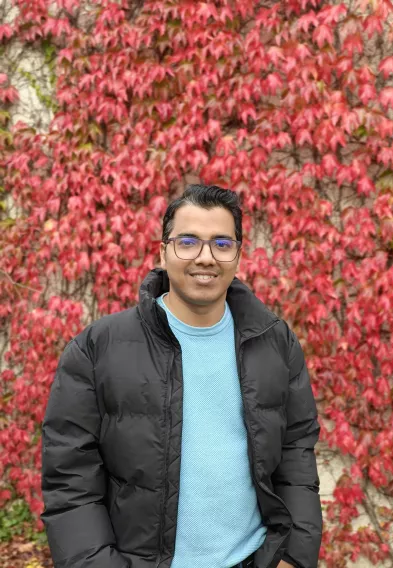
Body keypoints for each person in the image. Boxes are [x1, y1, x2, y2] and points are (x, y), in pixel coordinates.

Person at [41, 184, 322, 568]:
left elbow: (296, 454)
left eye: (222, 244)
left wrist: (293, 556)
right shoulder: (97, 348)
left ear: (238, 254)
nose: (205, 257)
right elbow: (70, 483)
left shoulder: (274, 341)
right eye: (188, 241)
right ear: (163, 251)